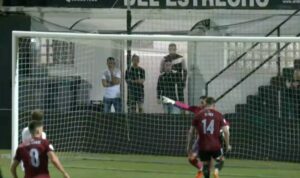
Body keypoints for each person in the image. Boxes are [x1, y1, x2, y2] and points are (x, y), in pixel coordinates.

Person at [187, 97, 231, 178]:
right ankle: (216, 171)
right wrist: (227, 144)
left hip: (203, 146)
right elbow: (226, 131)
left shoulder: (198, 115)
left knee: (206, 166)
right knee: (221, 160)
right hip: (215, 145)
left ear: (205, 104)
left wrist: (189, 147)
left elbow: (190, 132)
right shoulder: (218, 115)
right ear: (214, 105)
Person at [162, 95, 207, 172]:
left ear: (207, 103)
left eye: (202, 102)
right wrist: (172, 101)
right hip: (200, 139)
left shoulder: (212, 112)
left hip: (210, 138)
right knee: (191, 158)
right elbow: (184, 106)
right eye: (200, 102)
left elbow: (222, 122)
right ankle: (203, 169)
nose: (200, 104)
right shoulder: (197, 109)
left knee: (210, 158)